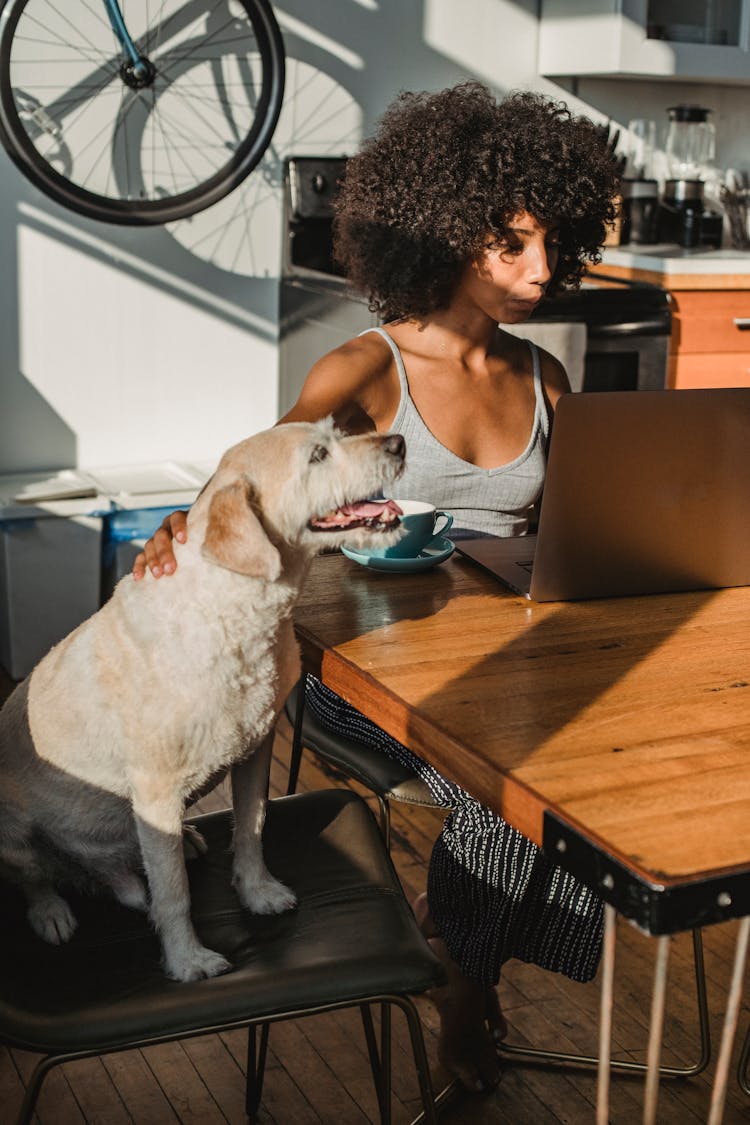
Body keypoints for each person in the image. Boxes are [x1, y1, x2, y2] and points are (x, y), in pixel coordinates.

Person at [134, 82, 620, 1093]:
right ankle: (462, 987)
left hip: (502, 667)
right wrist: (186, 523)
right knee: (502, 808)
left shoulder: (546, 382)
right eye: (510, 244)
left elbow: (576, 536)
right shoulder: (366, 367)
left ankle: (468, 942)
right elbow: (258, 480)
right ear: (450, 232)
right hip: (358, 674)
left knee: (591, 788)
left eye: (551, 245)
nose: (538, 273)